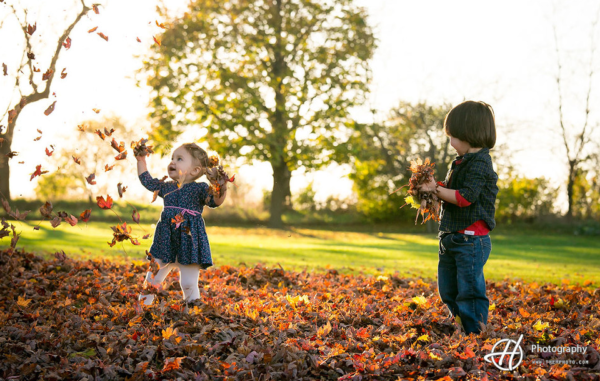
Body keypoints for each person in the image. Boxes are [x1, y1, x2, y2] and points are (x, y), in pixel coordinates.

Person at [418, 100, 499, 335]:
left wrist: (436, 190)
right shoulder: (461, 162)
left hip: (471, 241)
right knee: (448, 290)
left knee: (470, 291)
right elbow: (449, 192)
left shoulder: (481, 164)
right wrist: (427, 190)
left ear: (468, 134)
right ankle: (461, 326)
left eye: (452, 136)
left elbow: (465, 197)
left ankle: (476, 332)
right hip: (451, 238)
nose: (450, 142)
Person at [135, 143, 228, 305]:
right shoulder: (166, 187)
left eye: (179, 159)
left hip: (189, 242)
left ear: (195, 170)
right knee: (152, 279)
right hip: (165, 241)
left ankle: (192, 311)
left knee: (188, 283)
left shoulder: (200, 189)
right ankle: (142, 309)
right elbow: (147, 180)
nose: (172, 162)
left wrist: (221, 186)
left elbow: (215, 201)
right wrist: (141, 160)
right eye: (172, 158)